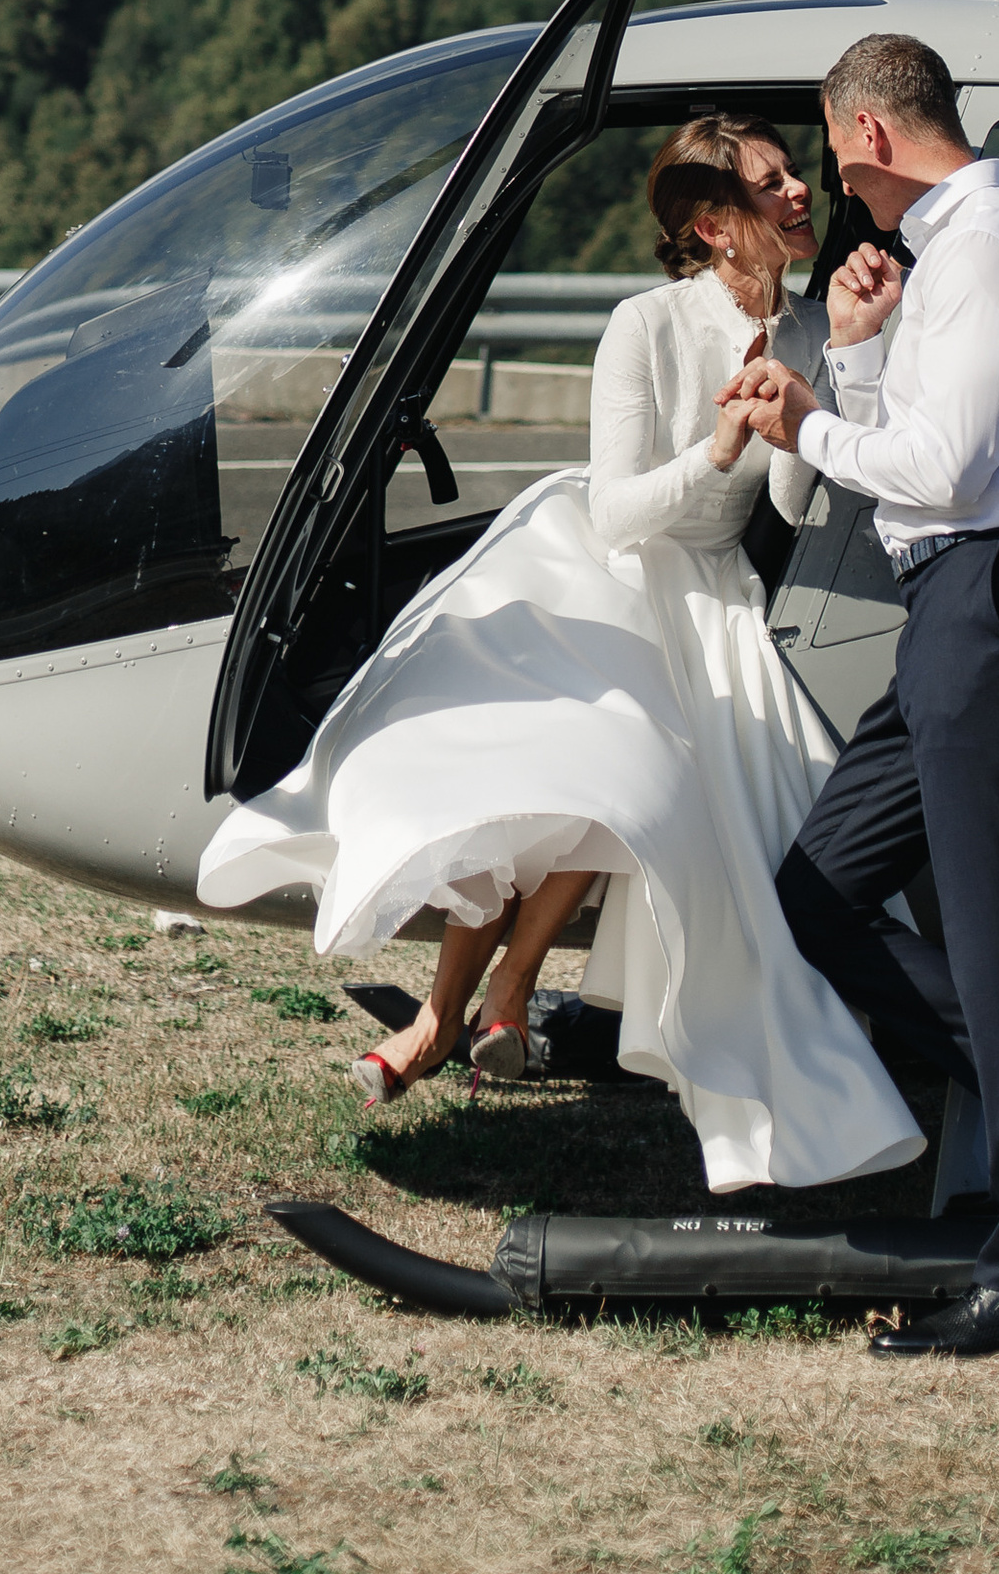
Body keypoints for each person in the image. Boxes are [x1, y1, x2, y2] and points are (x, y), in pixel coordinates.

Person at [195, 114, 924, 1195]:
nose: (801, 196)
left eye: (792, 178)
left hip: (712, 595)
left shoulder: (813, 324)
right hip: (599, 570)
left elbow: (787, 501)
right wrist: (716, 443)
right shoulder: (643, 323)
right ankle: (456, 1007)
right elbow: (623, 511)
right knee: (551, 777)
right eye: (774, 185)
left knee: (641, 786)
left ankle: (502, 998)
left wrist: (824, 382)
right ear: (718, 226)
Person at [729, 30, 999, 1354]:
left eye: (836, 161)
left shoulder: (992, 247)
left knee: (995, 930)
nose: (839, 191)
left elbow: (944, 472)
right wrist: (860, 350)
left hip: (996, 597)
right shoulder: (948, 261)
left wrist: (801, 426)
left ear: (870, 134)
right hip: (955, 607)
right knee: (817, 891)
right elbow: (917, 459)